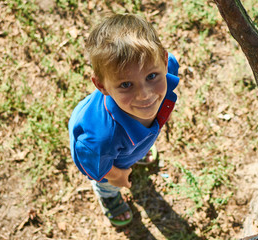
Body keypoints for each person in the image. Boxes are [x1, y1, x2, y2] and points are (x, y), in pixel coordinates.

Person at [68, 13, 179, 227]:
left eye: (151, 76)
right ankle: (109, 198)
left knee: (131, 146)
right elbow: (97, 163)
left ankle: (135, 152)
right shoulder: (100, 139)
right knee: (108, 184)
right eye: (126, 85)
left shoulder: (166, 67)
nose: (145, 94)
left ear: (164, 62)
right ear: (102, 86)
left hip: (127, 144)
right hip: (104, 160)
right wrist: (116, 175)